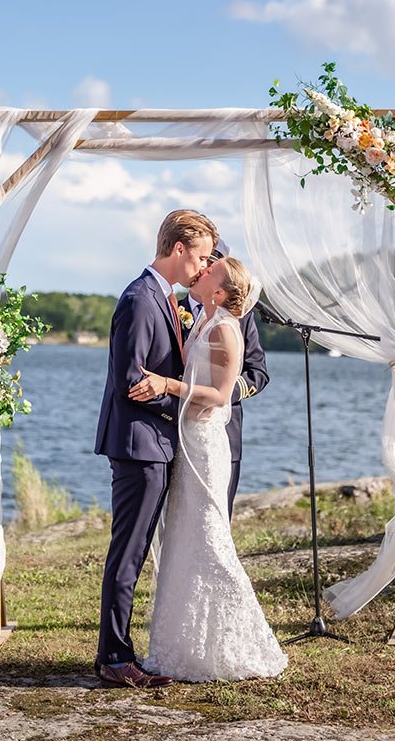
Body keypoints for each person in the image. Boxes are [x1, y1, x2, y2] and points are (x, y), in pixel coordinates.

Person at [129, 256, 288, 682]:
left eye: (209, 272)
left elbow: (222, 392)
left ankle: (239, 640)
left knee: (211, 539)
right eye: (203, 264)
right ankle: (184, 647)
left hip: (207, 444)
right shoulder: (196, 316)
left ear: (219, 292)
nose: (200, 272)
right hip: (185, 442)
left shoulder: (226, 327)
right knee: (182, 539)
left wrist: (170, 387)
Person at [94, 209, 218, 689]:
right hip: (139, 444)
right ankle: (113, 656)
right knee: (128, 551)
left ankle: (117, 650)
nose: (204, 268)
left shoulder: (164, 297)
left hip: (154, 442)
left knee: (138, 548)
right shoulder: (140, 300)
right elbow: (131, 381)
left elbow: (153, 379)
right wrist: (184, 409)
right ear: (178, 249)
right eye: (202, 257)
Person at [178, 239, 269, 519]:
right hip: (177, 426)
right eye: (205, 261)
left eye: (212, 264)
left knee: (215, 516)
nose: (204, 268)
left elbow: (258, 373)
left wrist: (216, 396)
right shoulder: (170, 308)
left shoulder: (239, 319)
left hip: (220, 428)